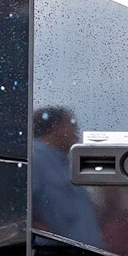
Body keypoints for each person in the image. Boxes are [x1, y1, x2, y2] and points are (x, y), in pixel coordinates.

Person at [31, 106, 103, 247]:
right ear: (56, 127)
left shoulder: (63, 165)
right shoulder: (36, 158)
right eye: (72, 124)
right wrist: (46, 235)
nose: (77, 131)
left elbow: (81, 217)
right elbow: (18, 210)